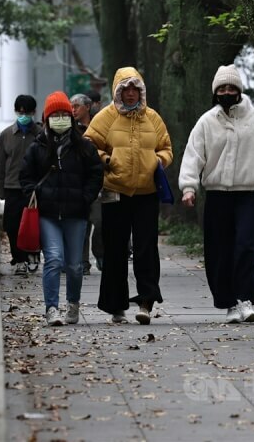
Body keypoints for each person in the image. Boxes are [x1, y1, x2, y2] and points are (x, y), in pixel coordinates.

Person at [178, 64, 254, 324]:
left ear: (239, 90)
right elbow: (194, 155)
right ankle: (228, 303)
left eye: (231, 88)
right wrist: (189, 187)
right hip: (217, 195)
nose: (227, 92)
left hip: (248, 194)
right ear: (216, 92)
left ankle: (245, 300)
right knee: (219, 251)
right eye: (222, 88)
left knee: (246, 247)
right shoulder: (207, 121)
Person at [84, 67, 173, 325]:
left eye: (135, 89)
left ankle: (146, 302)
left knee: (146, 248)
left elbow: (167, 147)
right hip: (115, 191)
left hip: (147, 193)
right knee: (115, 249)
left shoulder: (153, 118)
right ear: (117, 91)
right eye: (125, 89)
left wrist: (158, 161)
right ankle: (116, 306)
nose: (131, 94)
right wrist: (106, 159)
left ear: (141, 91)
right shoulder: (105, 117)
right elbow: (89, 144)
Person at [20, 91, 103, 326]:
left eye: (63, 114)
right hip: (47, 213)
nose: (59, 118)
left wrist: (86, 197)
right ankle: (52, 308)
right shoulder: (38, 147)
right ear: (47, 118)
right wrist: (35, 194)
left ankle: (73, 304)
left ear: (70, 117)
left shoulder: (84, 146)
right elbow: (25, 176)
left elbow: (96, 173)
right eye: (54, 115)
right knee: (54, 259)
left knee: (75, 265)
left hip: (75, 213)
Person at [0, 94, 42, 276]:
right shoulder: (6, 135)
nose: (23, 115)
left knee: (34, 225)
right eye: (20, 111)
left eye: (27, 112)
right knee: (12, 225)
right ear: (16, 111)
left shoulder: (40, 134)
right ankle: (19, 259)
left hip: (34, 188)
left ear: (33, 112)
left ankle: (33, 254)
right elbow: (0, 163)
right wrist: (0, 189)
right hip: (12, 186)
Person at [70, 93, 103, 275]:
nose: (73, 110)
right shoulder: (70, 129)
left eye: (76, 106)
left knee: (100, 221)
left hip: (98, 182)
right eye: (71, 106)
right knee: (81, 225)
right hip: (77, 183)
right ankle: (82, 262)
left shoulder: (100, 126)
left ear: (88, 107)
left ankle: (100, 253)